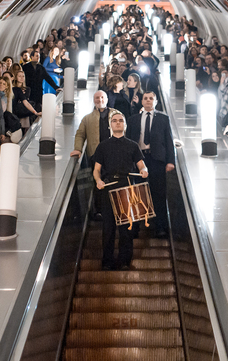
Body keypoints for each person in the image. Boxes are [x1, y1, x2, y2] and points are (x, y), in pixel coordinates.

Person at [93, 112, 149, 270]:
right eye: (114, 121)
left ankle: (124, 261)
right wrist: (98, 181)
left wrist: (144, 170)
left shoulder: (133, 145)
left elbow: (141, 165)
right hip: (108, 188)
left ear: (125, 125)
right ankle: (107, 262)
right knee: (108, 228)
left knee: (126, 229)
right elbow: (96, 170)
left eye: (121, 121)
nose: (117, 123)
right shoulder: (103, 146)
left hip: (127, 188)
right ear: (110, 125)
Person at [126, 91, 175, 238]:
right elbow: (128, 141)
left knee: (158, 194)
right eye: (145, 98)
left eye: (151, 99)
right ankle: (135, 228)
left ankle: (160, 227)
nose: (148, 101)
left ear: (156, 101)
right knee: (137, 194)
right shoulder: (133, 119)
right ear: (141, 101)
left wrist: (170, 161)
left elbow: (169, 141)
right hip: (139, 160)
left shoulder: (163, 119)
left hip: (157, 159)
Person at [70, 90, 117, 162]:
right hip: (95, 156)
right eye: (97, 98)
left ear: (107, 100)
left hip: (114, 154)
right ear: (94, 100)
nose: (100, 100)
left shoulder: (117, 115)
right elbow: (80, 134)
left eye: (102, 97)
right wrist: (78, 149)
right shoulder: (87, 118)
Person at [12, 70, 40, 134]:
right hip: (15, 111)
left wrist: (35, 112)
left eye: (23, 76)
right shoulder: (13, 88)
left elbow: (26, 101)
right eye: (19, 76)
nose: (22, 78)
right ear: (16, 77)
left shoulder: (27, 89)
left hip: (24, 111)